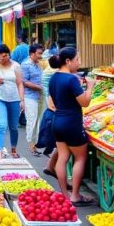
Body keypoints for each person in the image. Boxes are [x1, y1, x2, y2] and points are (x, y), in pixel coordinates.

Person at [47, 47, 96, 205]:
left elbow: (55, 101)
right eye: (77, 59)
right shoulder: (71, 80)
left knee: (62, 158)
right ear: (68, 61)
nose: (79, 63)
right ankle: (75, 195)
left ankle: (65, 195)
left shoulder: (54, 78)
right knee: (80, 158)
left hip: (57, 121)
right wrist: (90, 86)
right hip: (72, 123)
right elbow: (85, 102)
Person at [21, 43, 45, 156]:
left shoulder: (38, 65)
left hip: (39, 96)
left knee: (38, 121)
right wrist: (39, 87)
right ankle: (31, 145)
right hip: (29, 97)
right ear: (32, 53)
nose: (41, 56)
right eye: (39, 53)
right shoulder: (25, 65)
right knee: (32, 120)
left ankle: (35, 144)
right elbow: (24, 82)